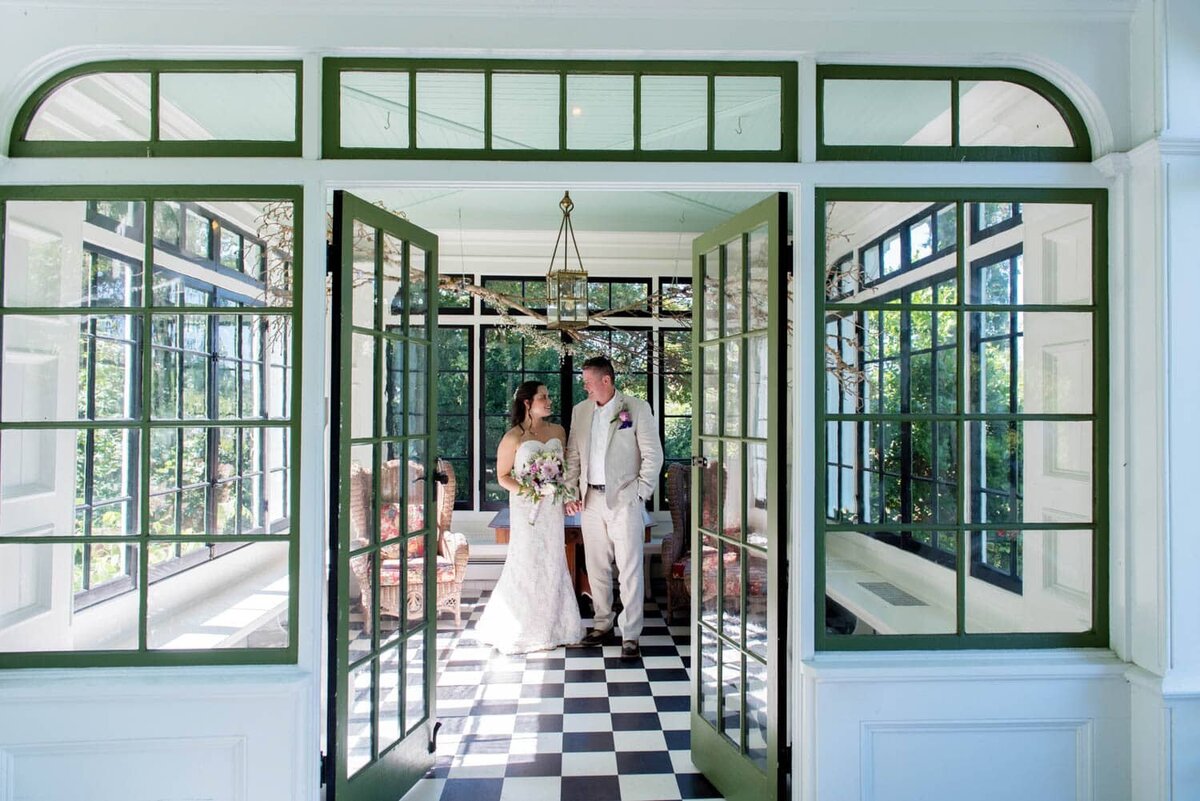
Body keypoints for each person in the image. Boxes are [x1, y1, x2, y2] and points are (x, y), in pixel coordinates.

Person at [474, 381, 585, 654]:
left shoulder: (558, 431)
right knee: (526, 562)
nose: (549, 401)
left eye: (548, 396)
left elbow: (567, 468)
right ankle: (522, 626)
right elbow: (503, 477)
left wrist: (564, 493)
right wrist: (532, 489)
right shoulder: (513, 437)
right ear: (527, 403)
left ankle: (557, 626)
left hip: (552, 510)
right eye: (543, 397)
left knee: (553, 560)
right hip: (527, 510)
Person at [564, 355, 664, 659]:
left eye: (589, 383)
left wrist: (639, 493)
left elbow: (653, 456)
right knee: (596, 567)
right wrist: (571, 493)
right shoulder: (580, 412)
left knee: (630, 569)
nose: (585, 388)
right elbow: (572, 457)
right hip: (590, 501)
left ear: (606, 381)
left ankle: (630, 634)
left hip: (624, 501)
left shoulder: (635, 408)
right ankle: (602, 624)